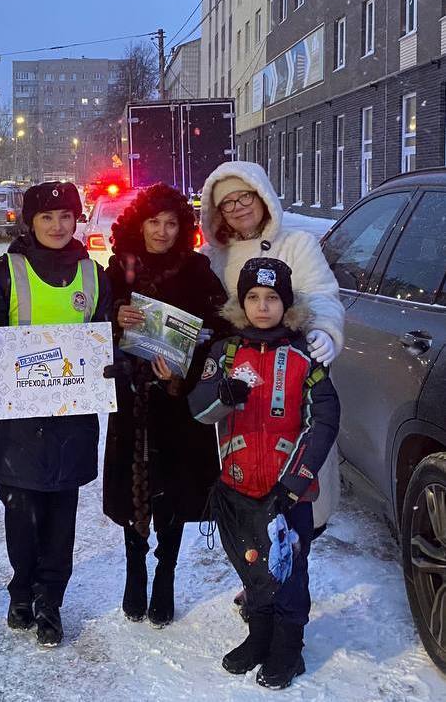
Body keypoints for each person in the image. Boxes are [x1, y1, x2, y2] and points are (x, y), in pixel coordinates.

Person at [189, 257, 340, 690]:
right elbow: (199, 411)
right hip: (237, 488)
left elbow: (324, 420)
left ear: (286, 304)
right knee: (251, 569)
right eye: (253, 297)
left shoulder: (304, 357)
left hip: (286, 494)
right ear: (242, 303)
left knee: (289, 573)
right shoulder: (225, 352)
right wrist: (223, 396)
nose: (262, 306)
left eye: (272, 298)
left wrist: (294, 483)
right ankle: (259, 637)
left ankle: (288, 649)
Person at [0, 181, 111, 648]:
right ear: (30, 222)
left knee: (62, 510)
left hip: (73, 417)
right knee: (19, 509)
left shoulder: (94, 275)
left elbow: (106, 336)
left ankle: (50, 599)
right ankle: (22, 590)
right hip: (19, 416)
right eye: (47, 217)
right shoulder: (4, 271)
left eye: (66, 217)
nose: (58, 226)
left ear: (77, 220)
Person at [102, 183, 230, 628]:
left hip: (178, 402)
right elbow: (94, 324)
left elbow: (218, 334)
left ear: (184, 227)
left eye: (171, 223)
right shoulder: (120, 268)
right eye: (153, 222)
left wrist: (183, 375)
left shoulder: (197, 271)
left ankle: (166, 573)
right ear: (139, 223)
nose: (161, 231)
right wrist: (116, 316)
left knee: (173, 488)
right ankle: (134, 568)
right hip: (131, 398)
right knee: (132, 485)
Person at [200, 161, 344, 366]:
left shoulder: (297, 244)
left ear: (262, 196)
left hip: (287, 366)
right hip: (230, 366)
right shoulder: (212, 256)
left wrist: (323, 328)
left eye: (245, 196)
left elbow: (320, 294)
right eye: (227, 202)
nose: (238, 207)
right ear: (220, 212)